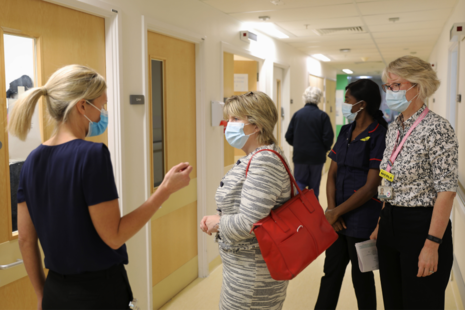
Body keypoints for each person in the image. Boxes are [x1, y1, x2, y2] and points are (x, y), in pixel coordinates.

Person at [8, 64, 192, 310]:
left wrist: (42, 296)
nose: (102, 114)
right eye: (101, 105)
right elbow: (114, 237)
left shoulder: (31, 160)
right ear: (82, 106)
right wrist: (165, 190)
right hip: (96, 294)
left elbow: (26, 241)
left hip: (55, 293)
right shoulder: (91, 155)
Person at [371, 56, 458, 310]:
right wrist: (381, 220)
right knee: (393, 301)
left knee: (421, 302)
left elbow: (447, 191)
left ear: (417, 87)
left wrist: (432, 244)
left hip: (421, 227)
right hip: (390, 224)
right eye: (388, 86)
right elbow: (387, 174)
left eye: (397, 85)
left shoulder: (437, 128)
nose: (391, 92)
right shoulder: (393, 128)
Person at [200, 91, 292, 310]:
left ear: (256, 125)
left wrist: (217, 222)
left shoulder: (264, 161)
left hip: (253, 275)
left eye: (234, 119)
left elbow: (248, 222)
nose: (227, 125)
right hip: (244, 268)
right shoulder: (259, 156)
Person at [315, 79, 387, 310]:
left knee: (362, 279)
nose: (344, 104)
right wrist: (331, 210)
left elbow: (371, 187)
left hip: (362, 220)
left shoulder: (379, 134)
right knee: (330, 274)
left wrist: (336, 212)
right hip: (337, 219)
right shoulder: (346, 130)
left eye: (347, 100)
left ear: (362, 104)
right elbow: (332, 173)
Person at [285, 86, 334, 198]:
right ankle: (312, 212)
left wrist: (298, 145)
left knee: (299, 184)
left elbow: (288, 136)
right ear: (319, 99)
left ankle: (299, 211)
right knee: (314, 187)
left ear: (304, 98)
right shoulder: (323, 116)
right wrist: (323, 149)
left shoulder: (297, 115)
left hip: (300, 156)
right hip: (317, 157)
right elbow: (328, 138)